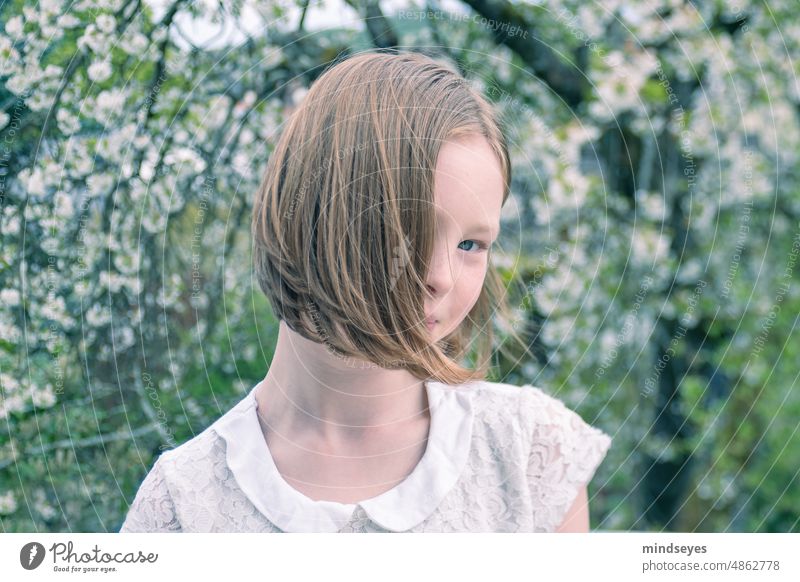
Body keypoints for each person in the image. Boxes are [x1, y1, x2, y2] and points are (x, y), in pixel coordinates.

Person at [120, 50, 612, 533]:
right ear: (314, 218)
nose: (439, 275)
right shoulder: (182, 505)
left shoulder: (531, 455)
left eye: (471, 243)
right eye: (409, 230)